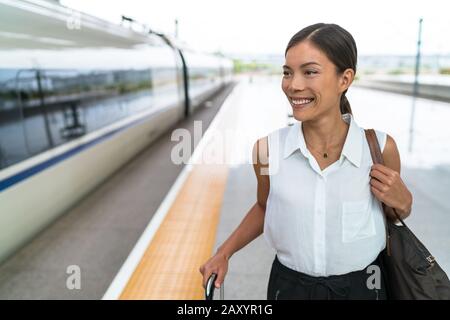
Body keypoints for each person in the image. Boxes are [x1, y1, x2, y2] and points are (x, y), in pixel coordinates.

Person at [199, 23, 413, 300]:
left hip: (365, 288)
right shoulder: (267, 150)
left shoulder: (381, 149)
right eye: (287, 72)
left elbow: (392, 214)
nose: (293, 85)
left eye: (309, 72)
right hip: (289, 288)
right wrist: (223, 253)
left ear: (344, 79)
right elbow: (265, 207)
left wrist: (404, 203)